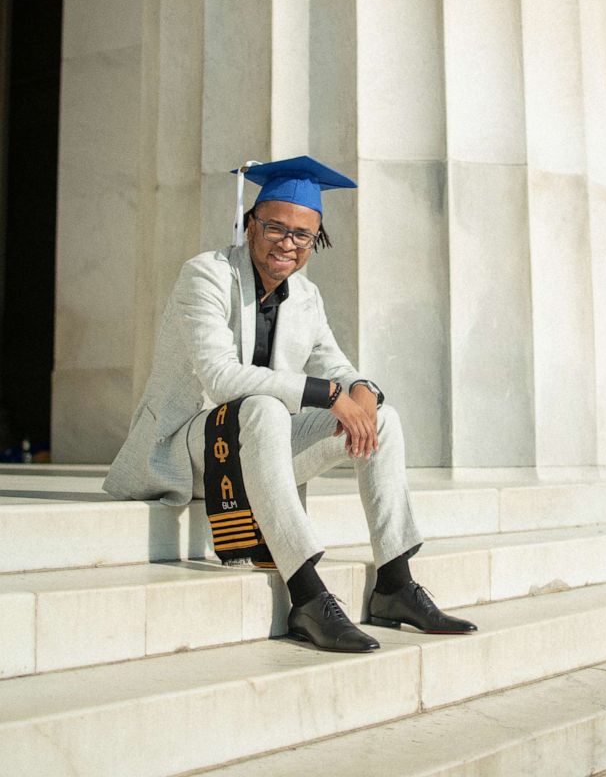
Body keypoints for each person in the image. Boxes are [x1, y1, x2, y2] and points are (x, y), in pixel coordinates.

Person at [104, 156, 477, 653]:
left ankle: (394, 582)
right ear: (249, 224)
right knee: (260, 406)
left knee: (382, 418)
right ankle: (306, 595)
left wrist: (362, 391)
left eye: (303, 234)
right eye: (276, 227)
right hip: (186, 452)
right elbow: (220, 375)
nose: (288, 242)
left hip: (260, 452)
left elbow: (340, 367)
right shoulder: (206, 275)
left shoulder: (305, 297)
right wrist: (328, 394)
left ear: (316, 240)